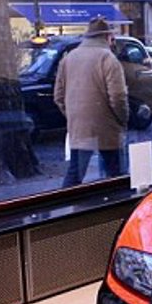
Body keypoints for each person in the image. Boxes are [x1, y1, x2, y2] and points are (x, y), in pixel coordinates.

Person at [54, 17, 129, 186]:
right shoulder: (108, 59)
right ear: (107, 37)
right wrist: (122, 119)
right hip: (107, 126)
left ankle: (68, 202)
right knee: (116, 175)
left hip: (79, 126)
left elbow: (58, 96)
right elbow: (118, 97)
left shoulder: (68, 58)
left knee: (74, 175)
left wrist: (72, 115)